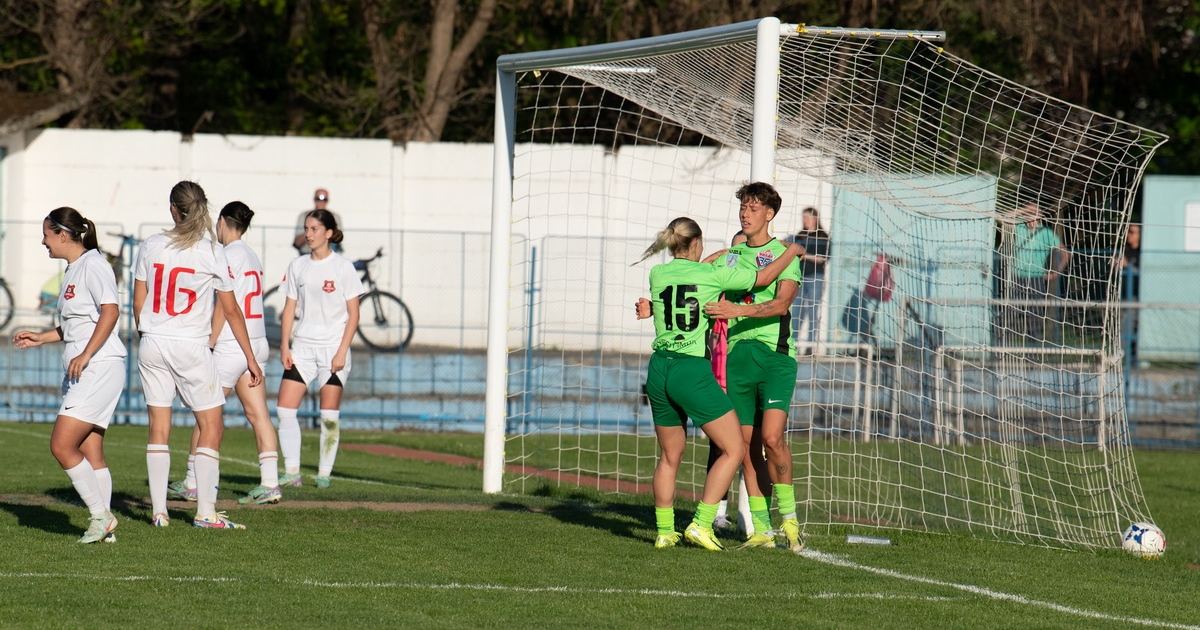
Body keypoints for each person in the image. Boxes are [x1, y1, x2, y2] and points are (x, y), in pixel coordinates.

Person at [634, 216, 801, 551]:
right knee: (735, 448)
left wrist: (650, 307)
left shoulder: (658, 274)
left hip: (658, 369)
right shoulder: (712, 276)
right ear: (697, 243)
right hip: (690, 371)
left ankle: (665, 532)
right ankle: (702, 522)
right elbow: (764, 277)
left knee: (669, 456)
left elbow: (676, 296)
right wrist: (792, 251)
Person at [135, 181, 263, 530]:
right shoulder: (211, 251)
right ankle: (206, 513)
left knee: (158, 428)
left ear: (172, 209)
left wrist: (150, 333)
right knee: (212, 426)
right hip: (190, 345)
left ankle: (159, 513)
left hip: (152, 342)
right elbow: (231, 310)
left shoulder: (151, 244)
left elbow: (138, 302)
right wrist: (250, 358)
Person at [12, 207, 126, 543]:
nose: (43, 242)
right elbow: (77, 325)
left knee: (62, 446)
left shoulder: (94, 264)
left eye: (46, 235)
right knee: (91, 452)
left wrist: (86, 354)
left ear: (63, 235)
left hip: (98, 367)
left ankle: (101, 517)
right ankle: (105, 531)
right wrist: (41, 337)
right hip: (88, 369)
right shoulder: (74, 268)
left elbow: (111, 312)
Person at [704, 181, 806, 552]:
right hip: (738, 359)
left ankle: (790, 520)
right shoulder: (731, 256)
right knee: (745, 446)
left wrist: (737, 309)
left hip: (775, 358)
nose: (745, 214)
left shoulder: (784, 255)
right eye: (743, 207)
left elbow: (781, 305)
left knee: (772, 438)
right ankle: (762, 529)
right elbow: (698, 287)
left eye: (753, 208)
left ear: (770, 214)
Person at [166, 202, 282, 505]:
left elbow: (224, 305)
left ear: (221, 222)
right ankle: (271, 483)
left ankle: (193, 482)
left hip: (232, 344)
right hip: (256, 341)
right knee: (259, 414)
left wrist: (211, 340)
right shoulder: (251, 255)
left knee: (206, 415)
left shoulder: (227, 254)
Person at [276, 209, 363, 489]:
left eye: (314, 229)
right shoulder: (297, 265)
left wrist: (341, 351)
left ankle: (324, 473)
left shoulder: (343, 267)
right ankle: (292, 472)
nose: (309, 234)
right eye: (306, 228)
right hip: (302, 348)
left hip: (332, 350)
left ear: (329, 233)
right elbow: (289, 308)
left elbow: (354, 314)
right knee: (284, 410)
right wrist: (285, 345)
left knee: (329, 416)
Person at [1003, 202, 1070, 345]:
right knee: (1009, 313)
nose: (1030, 216)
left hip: (1035, 279)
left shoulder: (1046, 233)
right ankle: (1004, 346)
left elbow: (1065, 252)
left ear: (1040, 215)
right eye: (1028, 213)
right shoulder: (1019, 227)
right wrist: (1024, 209)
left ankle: (1032, 352)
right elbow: (1003, 218)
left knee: (1034, 316)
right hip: (1016, 278)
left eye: (1034, 213)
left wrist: (1056, 272)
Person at [790, 207, 830, 353]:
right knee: (796, 311)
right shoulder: (800, 236)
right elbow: (793, 254)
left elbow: (822, 258)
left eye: (807, 217)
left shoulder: (823, 236)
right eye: (803, 217)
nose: (805, 220)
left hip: (815, 278)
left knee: (813, 311)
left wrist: (804, 255)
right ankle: (793, 344)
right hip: (799, 277)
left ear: (815, 218)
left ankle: (810, 347)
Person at [293, 188, 343, 255]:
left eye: (324, 199)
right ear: (314, 199)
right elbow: (297, 243)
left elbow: (337, 238)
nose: (321, 202)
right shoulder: (304, 216)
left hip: (328, 255)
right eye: (318, 199)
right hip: (307, 254)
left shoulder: (335, 217)